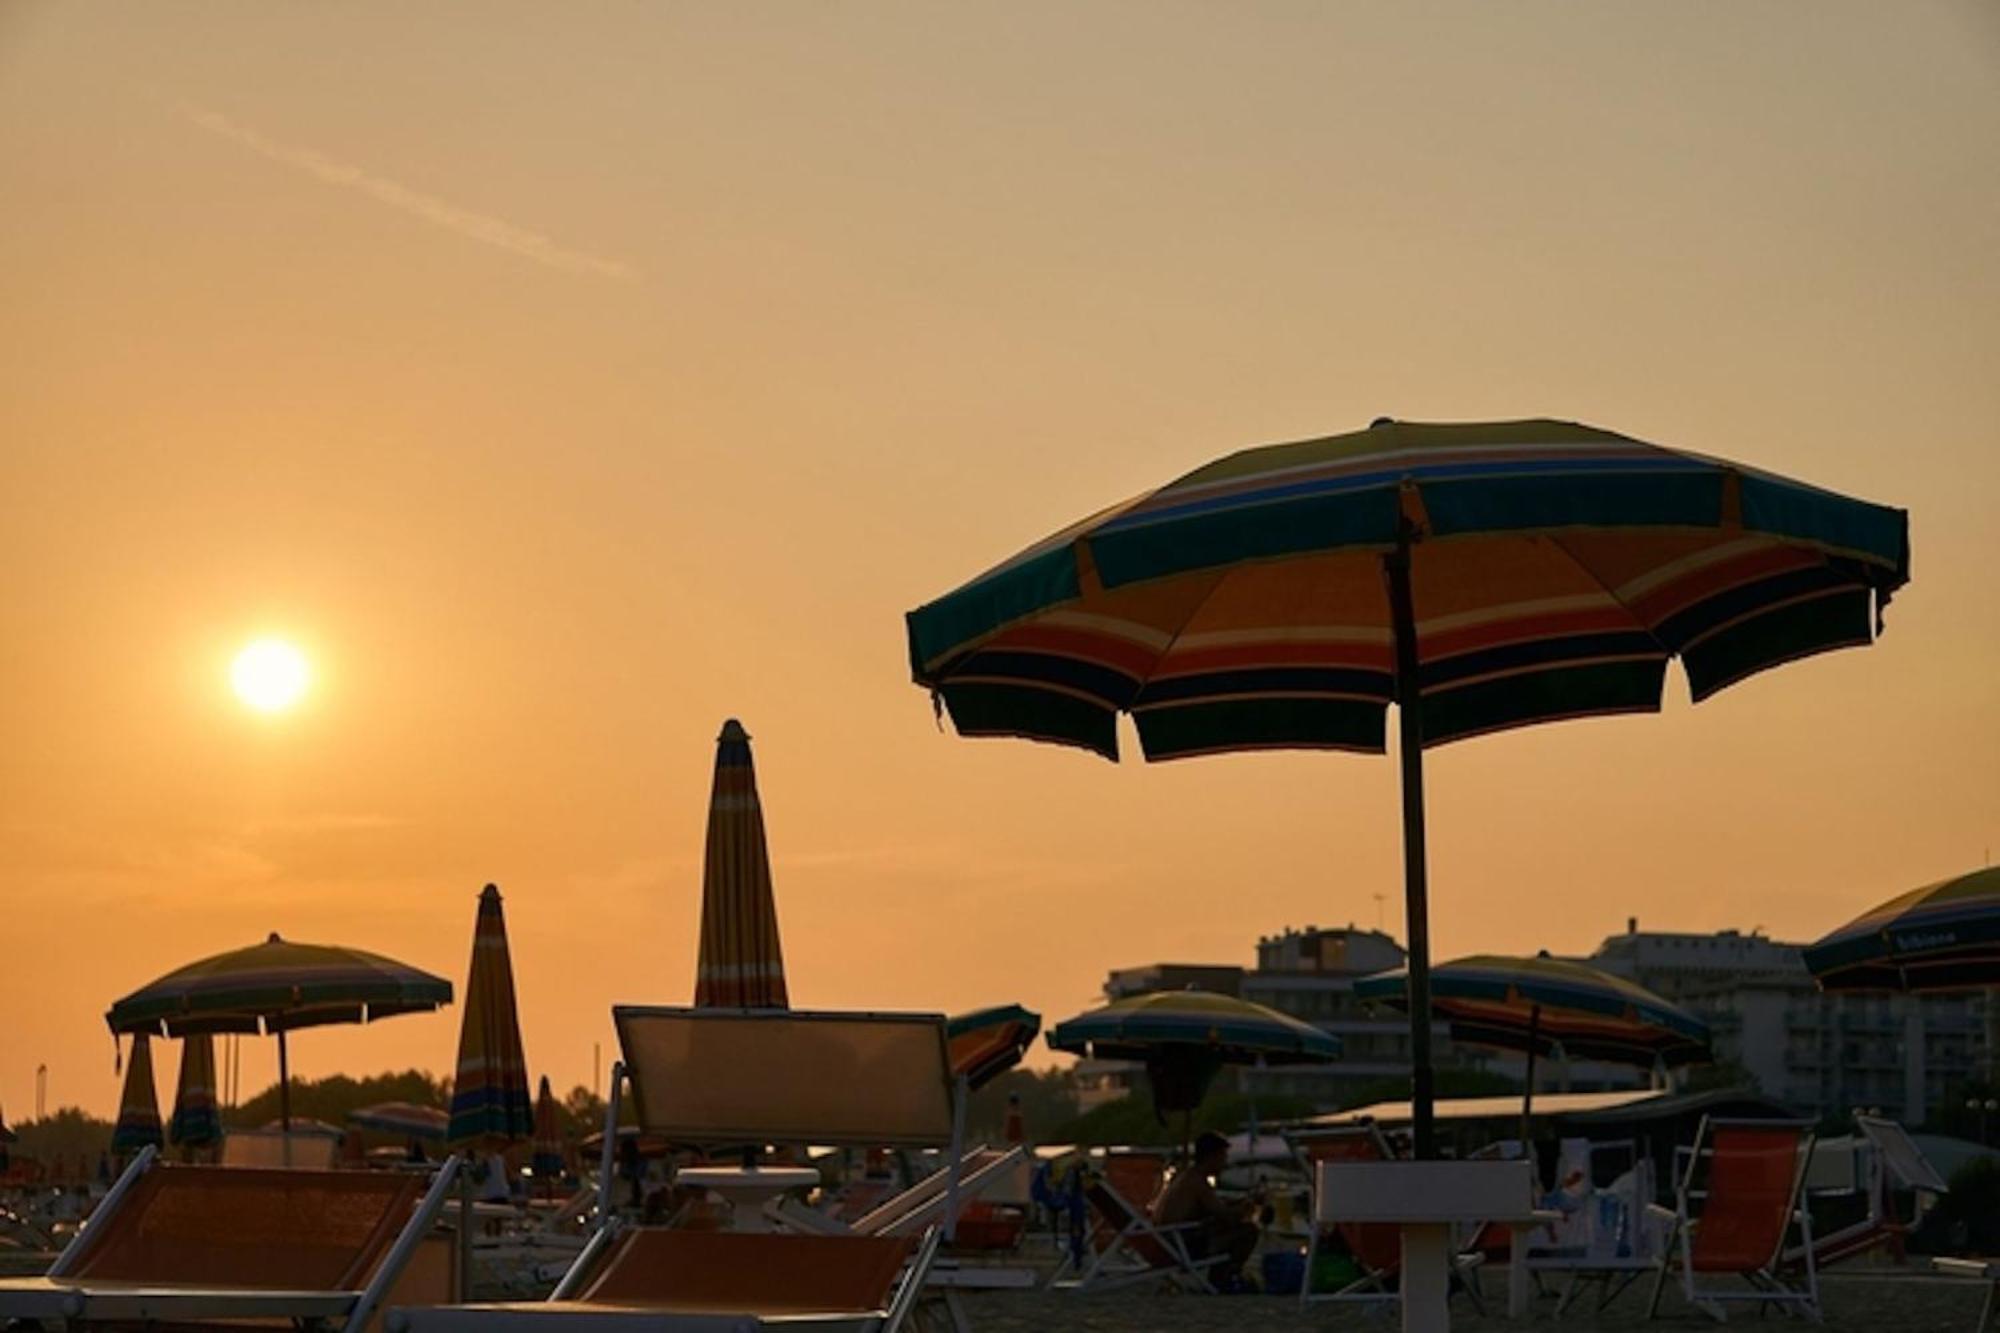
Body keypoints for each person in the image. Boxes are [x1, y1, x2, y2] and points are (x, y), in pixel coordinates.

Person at [1150, 1131, 1259, 1291]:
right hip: (1180, 1246)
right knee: (1248, 1231)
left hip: (1168, 1242)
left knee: (1224, 1226)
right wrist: (1246, 1207)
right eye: (1223, 1157)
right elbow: (1224, 1216)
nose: (1225, 1162)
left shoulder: (1187, 1177)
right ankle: (1224, 1279)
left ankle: (1222, 1277)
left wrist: (1236, 1205)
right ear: (1212, 1157)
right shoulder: (1198, 1182)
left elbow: (1211, 1207)